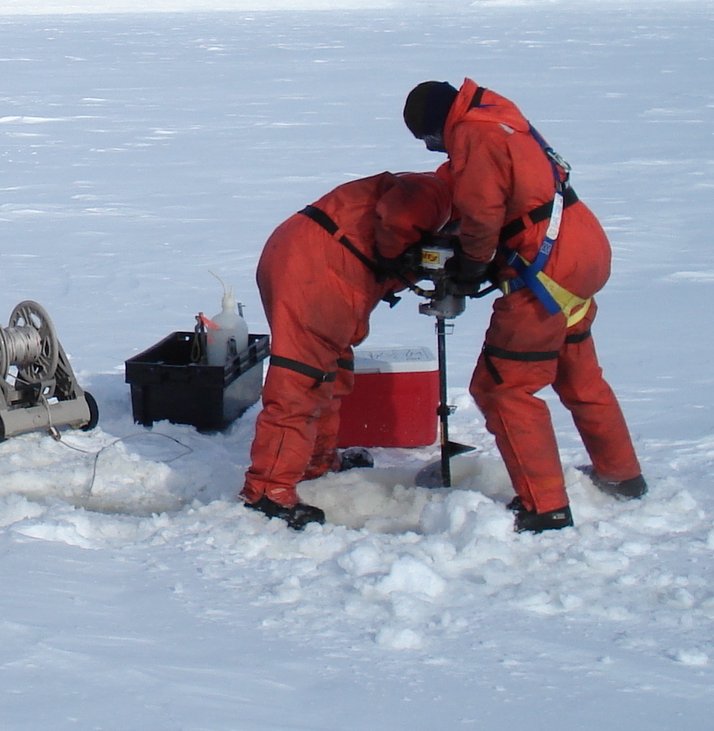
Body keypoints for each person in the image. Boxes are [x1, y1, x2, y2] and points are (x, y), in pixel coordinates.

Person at [403, 80, 646, 533]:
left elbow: (482, 214)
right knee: (578, 374)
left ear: (437, 126)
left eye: (429, 141)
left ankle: (545, 507)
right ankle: (622, 475)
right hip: (582, 250)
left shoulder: (473, 135)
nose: (434, 150)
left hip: (545, 272)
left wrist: (471, 268)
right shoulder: (497, 114)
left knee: (503, 388)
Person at [242, 170, 452, 529]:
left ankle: (315, 461)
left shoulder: (445, 202)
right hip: (314, 268)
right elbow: (397, 225)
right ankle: (268, 490)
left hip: (322, 262)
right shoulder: (436, 193)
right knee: (301, 380)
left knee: (330, 371)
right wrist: (398, 258)